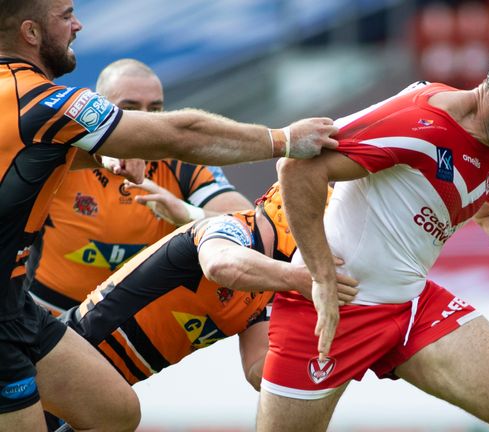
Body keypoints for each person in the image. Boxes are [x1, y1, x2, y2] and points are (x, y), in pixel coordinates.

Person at [0, 0, 336, 430]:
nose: (78, 25)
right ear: (30, 33)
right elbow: (184, 133)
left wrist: (181, 209)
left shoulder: (62, 133)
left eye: (155, 108)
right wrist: (284, 139)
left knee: (115, 413)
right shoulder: (46, 104)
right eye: (66, 16)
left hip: (22, 311)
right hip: (38, 312)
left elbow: (243, 221)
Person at [262, 39, 489, 431]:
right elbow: (298, 170)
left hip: (411, 305)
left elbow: (488, 212)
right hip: (333, 307)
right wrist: (320, 275)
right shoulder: (420, 122)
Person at [60, 183, 356, 390]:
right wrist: (302, 280)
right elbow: (220, 265)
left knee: (117, 413)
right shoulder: (228, 228)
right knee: (120, 415)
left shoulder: (271, 287)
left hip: (109, 378)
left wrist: (333, 353)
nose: (323, 256)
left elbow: (257, 371)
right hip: (73, 349)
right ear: (293, 222)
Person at [24, 58, 254, 316]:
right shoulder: (64, 152)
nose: (145, 120)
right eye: (130, 108)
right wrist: (105, 152)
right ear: (100, 106)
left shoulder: (181, 161)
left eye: (155, 109)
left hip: (134, 321)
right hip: (48, 312)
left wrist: (188, 214)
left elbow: (249, 226)